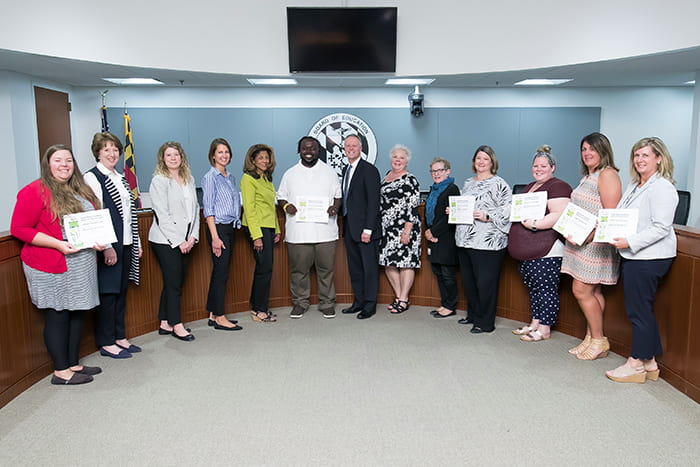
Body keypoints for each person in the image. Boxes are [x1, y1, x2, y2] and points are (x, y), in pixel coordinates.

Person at [11, 145, 104, 385]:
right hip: (51, 263)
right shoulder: (35, 190)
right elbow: (19, 229)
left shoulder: (79, 188)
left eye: (69, 160)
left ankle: (73, 363)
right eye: (58, 160)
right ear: (47, 164)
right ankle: (61, 371)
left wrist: (99, 241)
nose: (64, 165)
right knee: (58, 314)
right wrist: (57, 244)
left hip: (80, 262)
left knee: (77, 313)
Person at [606, 137, 678, 383]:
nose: (639, 160)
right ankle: (649, 362)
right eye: (636, 155)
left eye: (645, 155)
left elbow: (661, 227)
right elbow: (624, 217)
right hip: (634, 255)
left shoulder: (662, 187)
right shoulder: (634, 186)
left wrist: (630, 242)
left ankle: (636, 362)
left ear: (659, 158)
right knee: (640, 309)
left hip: (649, 257)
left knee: (638, 310)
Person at [561, 132, 622, 360]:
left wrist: (590, 235)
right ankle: (590, 337)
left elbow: (609, 215)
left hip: (595, 244)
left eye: (592, 149)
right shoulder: (588, 176)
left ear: (603, 151)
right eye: (584, 149)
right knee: (593, 291)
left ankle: (599, 339)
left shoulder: (607, 174)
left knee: (581, 290)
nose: (587, 153)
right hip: (581, 242)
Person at [85, 132, 142, 359]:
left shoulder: (120, 177)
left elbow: (129, 215)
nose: (112, 153)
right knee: (108, 294)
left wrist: (135, 242)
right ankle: (106, 341)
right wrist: (107, 246)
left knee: (121, 292)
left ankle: (119, 336)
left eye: (115, 149)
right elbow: (97, 212)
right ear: (98, 152)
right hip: (108, 245)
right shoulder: (92, 177)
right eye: (106, 149)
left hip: (126, 242)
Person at [507, 145, 572, 341]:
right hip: (529, 250)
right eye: (535, 166)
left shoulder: (558, 186)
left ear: (552, 167)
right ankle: (535, 322)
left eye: (543, 166)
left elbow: (559, 215)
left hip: (547, 250)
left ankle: (544, 329)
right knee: (534, 288)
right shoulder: (530, 186)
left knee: (546, 289)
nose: (539, 169)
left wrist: (535, 224)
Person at [277, 136, 342, 319]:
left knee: (326, 271)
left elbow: (338, 195)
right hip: (298, 233)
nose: (308, 152)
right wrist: (286, 206)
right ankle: (300, 303)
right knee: (298, 272)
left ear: (318, 150)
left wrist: (334, 207)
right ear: (299, 150)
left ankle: (327, 304)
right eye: (305, 149)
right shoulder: (290, 174)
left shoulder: (329, 172)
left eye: (313, 149)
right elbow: (281, 196)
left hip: (325, 232)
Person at [454, 145, 511, 333]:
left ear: (492, 162)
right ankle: (473, 315)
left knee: (485, 283)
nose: (481, 162)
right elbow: (463, 207)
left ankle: (485, 322)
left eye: (485, 159)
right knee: (469, 282)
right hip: (465, 239)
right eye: (478, 158)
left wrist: (487, 215)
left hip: (488, 241)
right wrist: (453, 211)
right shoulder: (468, 183)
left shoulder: (499, 183)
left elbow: (508, 209)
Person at [148, 142, 199, 342]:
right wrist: (179, 242)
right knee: (174, 283)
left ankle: (164, 322)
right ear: (162, 158)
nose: (173, 158)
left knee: (174, 281)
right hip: (165, 240)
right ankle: (177, 325)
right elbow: (162, 215)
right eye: (168, 155)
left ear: (182, 157)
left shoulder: (189, 178)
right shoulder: (159, 181)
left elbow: (194, 209)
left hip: (187, 238)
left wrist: (192, 237)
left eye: (176, 154)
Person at [201, 138, 242, 331]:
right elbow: (208, 209)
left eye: (226, 152)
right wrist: (215, 238)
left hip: (229, 228)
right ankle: (220, 316)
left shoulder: (230, 177)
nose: (224, 155)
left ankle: (212, 313)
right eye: (220, 152)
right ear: (213, 156)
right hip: (217, 229)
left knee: (221, 272)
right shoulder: (210, 177)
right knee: (221, 273)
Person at [340, 134, 381, 320]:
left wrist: (368, 229)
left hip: (365, 230)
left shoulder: (369, 170)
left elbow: (374, 202)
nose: (350, 148)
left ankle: (370, 304)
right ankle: (359, 301)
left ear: (361, 148)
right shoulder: (346, 169)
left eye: (354, 145)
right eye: (347, 145)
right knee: (355, 267)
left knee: (369, 268)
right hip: (349, 227)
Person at [379, 144, 421, 314]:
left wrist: (407, 231)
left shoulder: (410, 180)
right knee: (388, 264)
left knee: (405, 264)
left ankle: (403, 299)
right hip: (386, 229)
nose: (398, 160)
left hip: (405, 227)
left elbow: (413, 207)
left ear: (407, 161)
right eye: (395, 157)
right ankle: (399, 297)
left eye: (401, 157)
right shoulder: (386, 176)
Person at [241, 143, 281, 323]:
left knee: (266, 268)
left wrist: (277, 229)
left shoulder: (266, 178)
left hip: (268, 227)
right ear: (252, 160)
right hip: (256, 227)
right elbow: (249, 209)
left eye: (266, 158)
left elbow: (271, 207)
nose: (264, 161)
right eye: (260, 158)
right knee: (263, 269)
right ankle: (258, 310)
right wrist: (256, 236)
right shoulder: (248, 179)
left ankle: (260, 306)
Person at [424, 158, 461, 318]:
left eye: (440, 170)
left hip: (446, 238)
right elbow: (428, 214)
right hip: (433, 237)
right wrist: (427, 231)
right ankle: (444, 303)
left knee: (447, 274)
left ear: (448, 171)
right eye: (433, 171)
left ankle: (450, 306)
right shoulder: (434, 190)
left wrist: (433, 232)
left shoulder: (452, 189)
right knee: (438, 272)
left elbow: (451, 217)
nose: (436, 174)